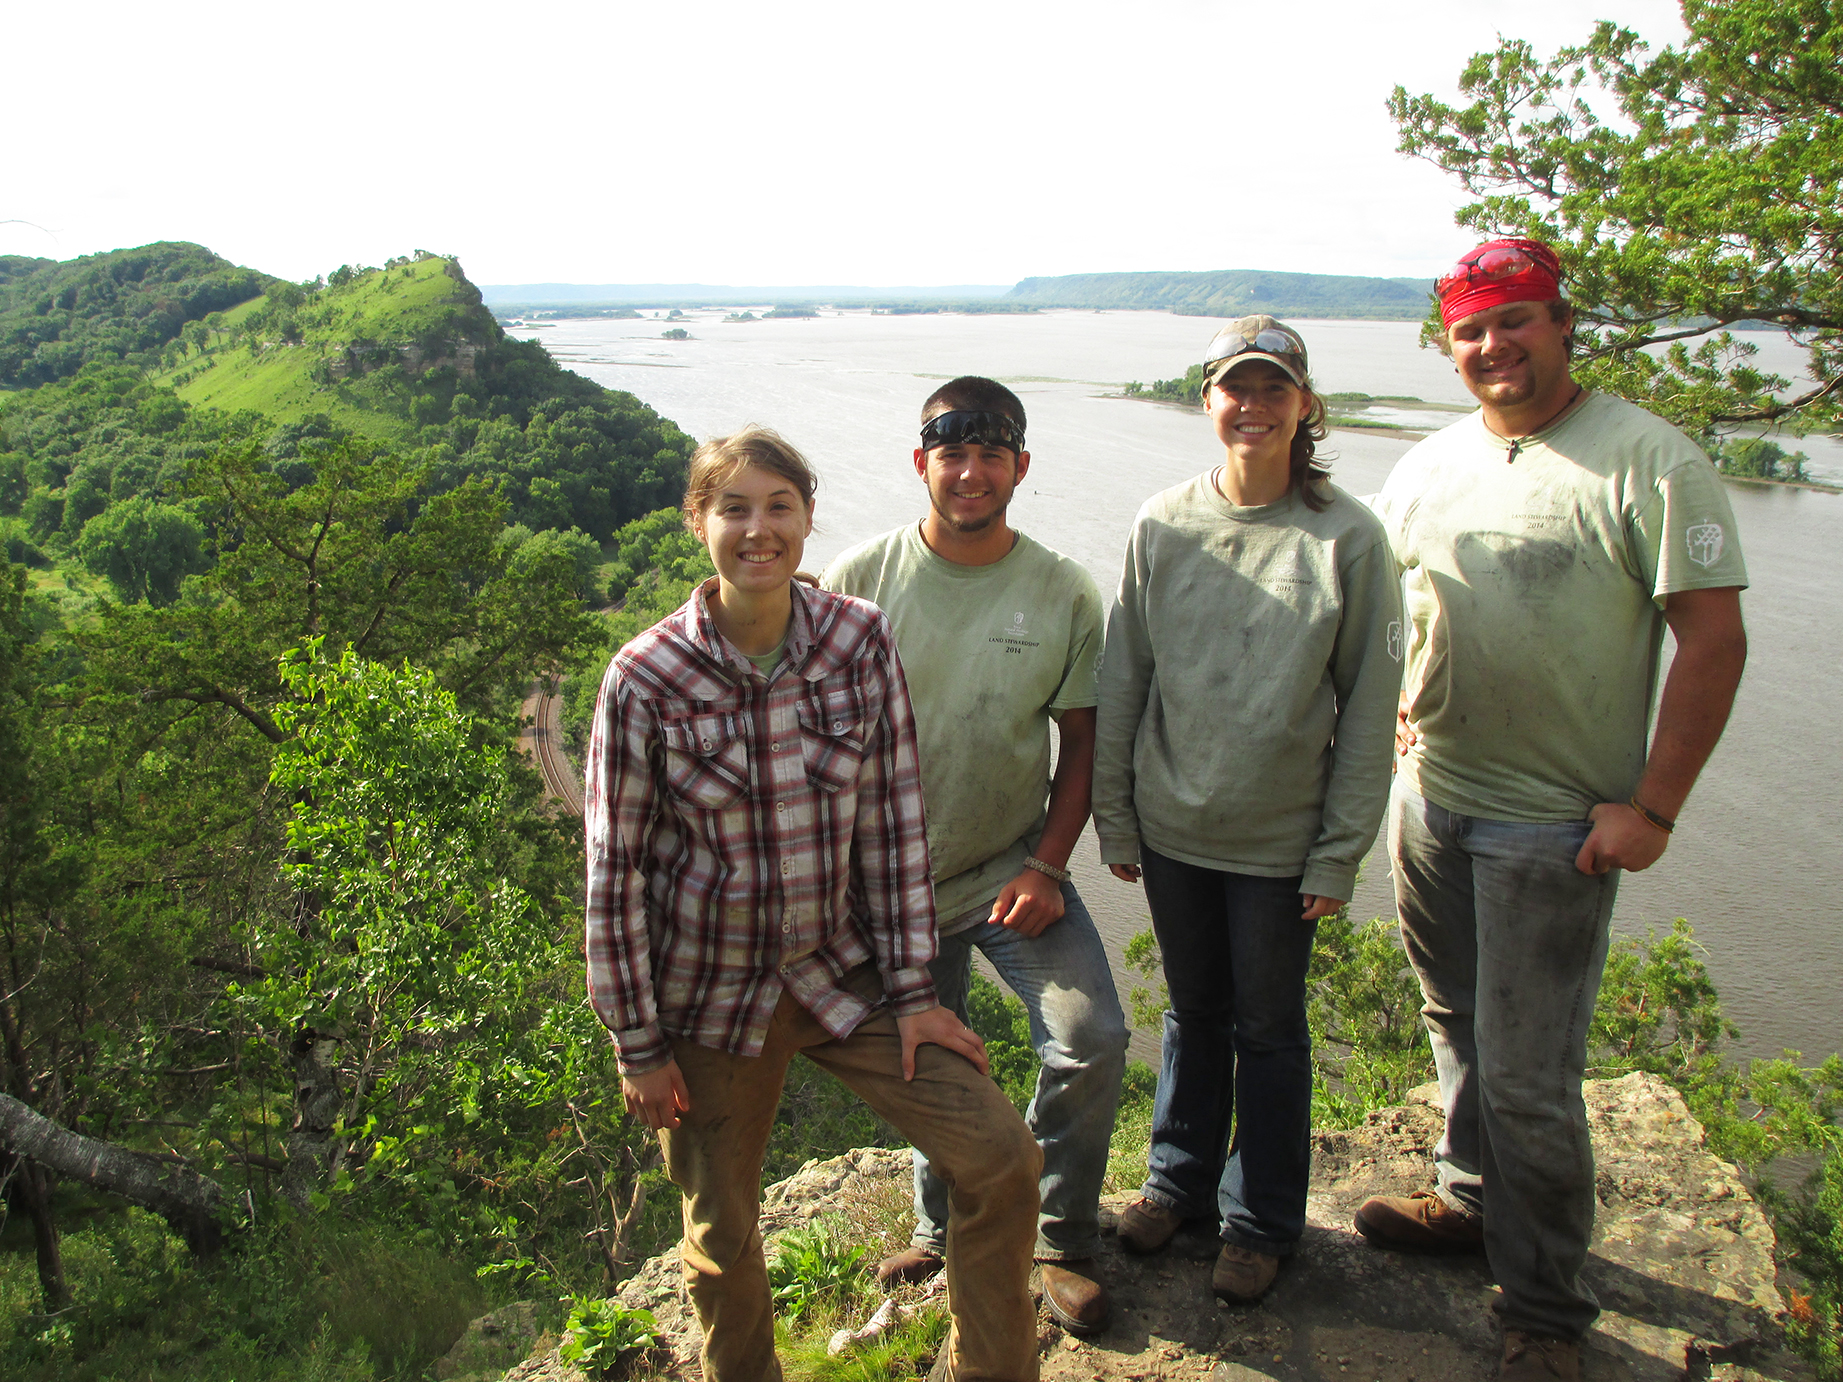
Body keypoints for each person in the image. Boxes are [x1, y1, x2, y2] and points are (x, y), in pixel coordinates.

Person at [1359, 239, 1749, 1382]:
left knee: (1529, 1071)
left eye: (1516, 321)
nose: (1494, 347)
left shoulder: (1646, 459)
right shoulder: (1428, 464)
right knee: (1452, 1019)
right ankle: (1471, 1201)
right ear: (1450, 345)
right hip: (1431, 802)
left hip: (1553, 826)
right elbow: (1391, 608)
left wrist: (1654, 809)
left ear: (1562, 323)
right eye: (1472, 330)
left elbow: (1713, 642)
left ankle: (1540, 1308)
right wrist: (1391, 719)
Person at [584, 427, 1043, 1382]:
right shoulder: (646, 677)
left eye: (778, 507)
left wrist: (917, 992)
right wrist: (638, 1044)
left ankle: (990, 1369)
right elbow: (613, 873)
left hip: (846, 977)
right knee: (720, 1233)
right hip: (709, 1000)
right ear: (698, 523)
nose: (759, 530)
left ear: (805, 517)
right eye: (734, 509)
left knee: (1001, 1157)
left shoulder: (857, 636)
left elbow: (891, 822)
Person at [1091, 318, 1403, 1303]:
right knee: (1194, 1012)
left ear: (1305, 404)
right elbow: (1122, 676)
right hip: (1174, 828)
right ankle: (1177, 1182)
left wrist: (1337, 854)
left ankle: (1260, 1218)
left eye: (1275, 388)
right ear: (1208, 399)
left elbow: (1366, 713)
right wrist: (1115, 816)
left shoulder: (1347, 536)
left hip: (1279, 843)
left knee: (1268, 1028)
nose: (1253, 405)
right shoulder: (1164, 522)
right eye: (1236, 386)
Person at [823, 377, 1130, 1336]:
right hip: (883, 887)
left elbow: (1079, 746)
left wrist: (1045, 865)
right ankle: (940, 1224)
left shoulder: (1063, 590)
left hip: (1005, 870)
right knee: (934, 1061)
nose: (970, 471)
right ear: (921, 463)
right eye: (950, 453)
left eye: (992, 454)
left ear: (1020, 468)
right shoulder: (859, 577)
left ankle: (1061, 1236)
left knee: (1090, 1037)